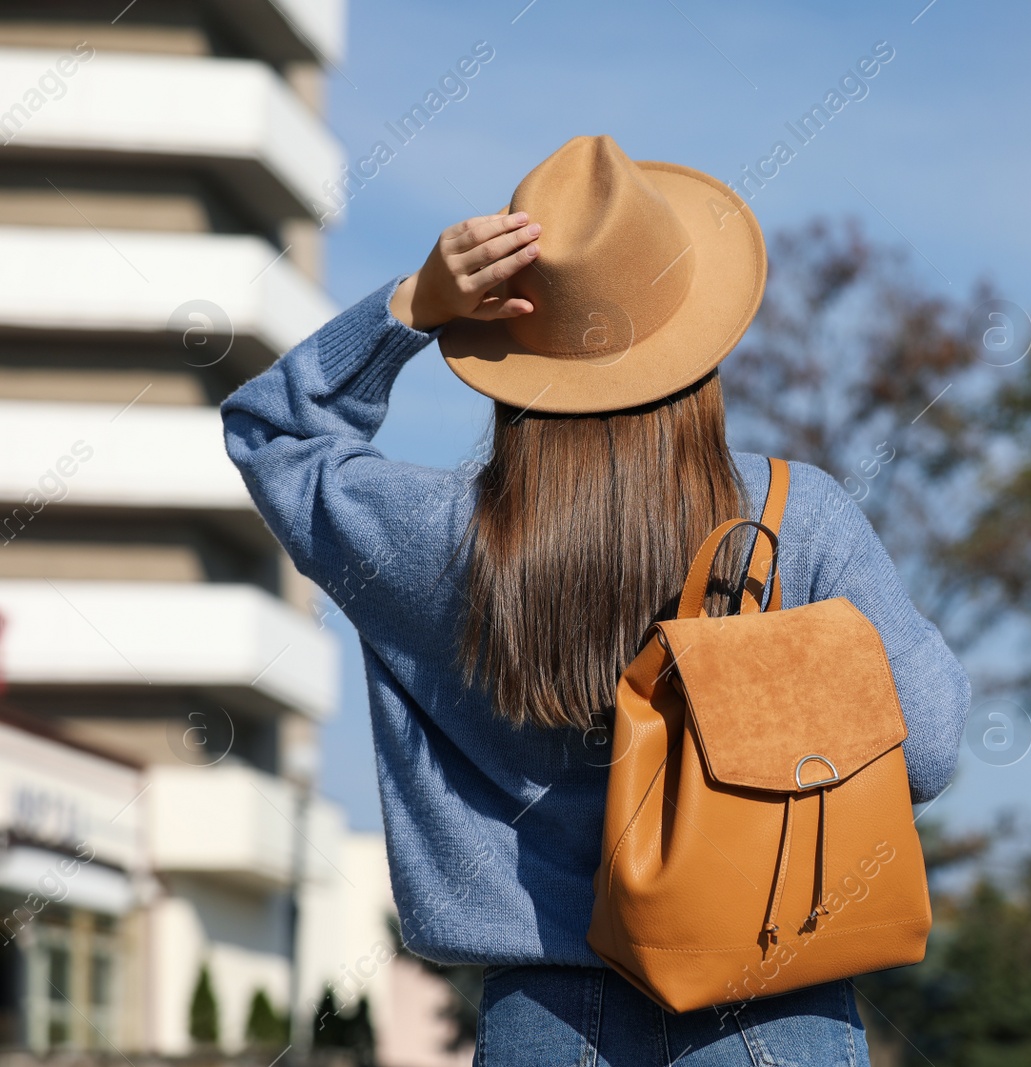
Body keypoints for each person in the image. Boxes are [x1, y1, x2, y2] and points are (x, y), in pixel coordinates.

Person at [222, 135, 969, 1066]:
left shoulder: (431, 535)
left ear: (509, 350)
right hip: (774, 998)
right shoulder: (795, 519)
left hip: (545, 1020)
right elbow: (929, 748)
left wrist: (411, 306)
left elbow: (273, 429)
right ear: (697, 337)